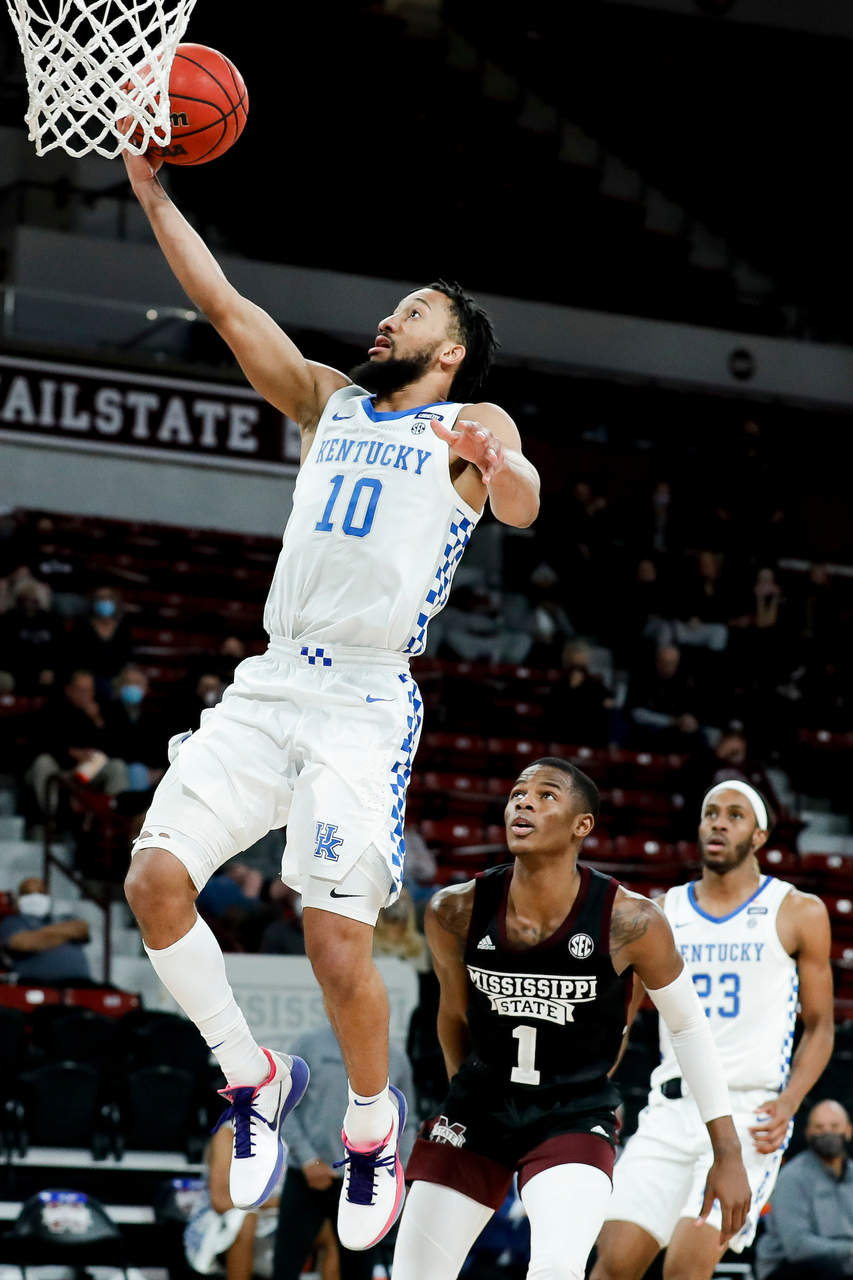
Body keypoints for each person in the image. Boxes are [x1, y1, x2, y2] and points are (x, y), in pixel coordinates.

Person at [120, 139, 540, 1254]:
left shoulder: (472, 426)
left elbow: (526, 500)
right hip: (271, 678)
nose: (385, 323)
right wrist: (152, 192)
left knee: (336, 943)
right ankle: (253, 1075)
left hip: (363, 697)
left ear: (449, 351)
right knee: (154, 883)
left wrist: (491, 464)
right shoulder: (332, 401)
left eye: (408, 314)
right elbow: (223, 302)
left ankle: (367, 1120)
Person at [392, 758, 751, 1280]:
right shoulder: (455, 909)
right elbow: (452, 1012)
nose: (524, 801)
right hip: (480, 1105)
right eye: (518, 792)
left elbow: (689, 1028)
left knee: (558, 1267)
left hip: (573, 1112)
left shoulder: (632, 921)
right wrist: (462, 1098)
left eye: (546, 795)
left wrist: (729, 1151)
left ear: (583, 825)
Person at [593, 780, 834, 1280]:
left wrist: (789, 1103)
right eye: (710, 813)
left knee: (684, 1270)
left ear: (760, 836)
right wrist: (589, 1087)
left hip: (748, 1115)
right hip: (669, 1111)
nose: (719, 822)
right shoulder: (660, 913)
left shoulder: (798, 912)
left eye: (734, 815)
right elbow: (620, 1020)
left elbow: (821, 1026)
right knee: (610, 1268)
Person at [273, 1019, 414, 1280]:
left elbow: (407, 1124)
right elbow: (284, 1106)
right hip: (308, 1177)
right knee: (285, 1268)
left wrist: (399, 1177)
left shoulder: (395, 1058)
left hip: (364, 1183)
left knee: (359, 1272)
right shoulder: (309, 1045)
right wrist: (308, 1160)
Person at [756, 1099, 853, 1280]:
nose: (827, 1133)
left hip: (844, 1265)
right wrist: (850, 1250)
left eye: (834, 1126)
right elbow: (798, 1248)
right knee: (827, 1268)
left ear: (849, 1131)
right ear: (808, 1133)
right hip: (788, 1268)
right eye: (819, 1128)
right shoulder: (792, 1177)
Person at [185, 1119, 280, 1280]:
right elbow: (220, 1202)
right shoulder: (229, 1134)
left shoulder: (295, 1136)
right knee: (244, 1219)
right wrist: (276, 1202)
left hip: (280, 1215)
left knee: (328, 1224)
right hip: (225, 1218)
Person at [26, 669, 130, 813]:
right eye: (80, 690)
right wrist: (71, 752)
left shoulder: (103, 711)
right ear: (69, 690)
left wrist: (97, 721)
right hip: (61, 768)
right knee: (42, 763)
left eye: (89, 690)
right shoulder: (52, 709)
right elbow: (39, 743)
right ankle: (50, 818)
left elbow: (117, 747)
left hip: (89, 770)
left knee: (117, 767)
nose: (86, 695)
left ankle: (110, 819)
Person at [0, 876, 91, 984]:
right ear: (18, 899)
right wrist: (66, 934)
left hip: (80, 984)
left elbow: (80, 928)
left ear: (48, 896)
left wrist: (36, 935)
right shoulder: (11, 922)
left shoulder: (67, 917)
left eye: (41, 892)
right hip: (34, 985)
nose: (35, 897)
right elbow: (24, 944)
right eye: (28, 894)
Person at [0, 578, 59, 693]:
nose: (30, 600)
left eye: (33, 595)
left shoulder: (51, 620)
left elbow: (58, 649)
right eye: (26, 595)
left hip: (45, 671)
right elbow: (5, 651)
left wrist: (51, 669)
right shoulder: (8, 619)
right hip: (17, 670)